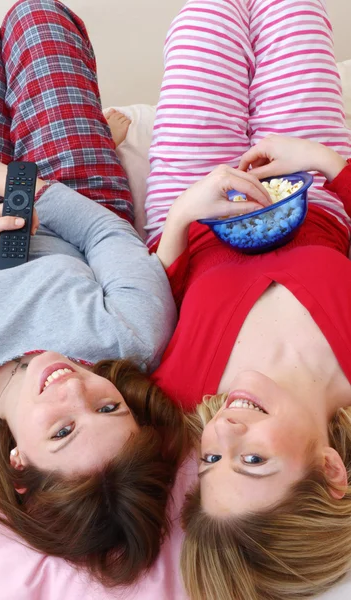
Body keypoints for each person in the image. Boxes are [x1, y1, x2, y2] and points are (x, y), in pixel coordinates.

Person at [0, 0, 192, 587]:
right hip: (71, 197)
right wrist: (15, 182)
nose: (75, 389)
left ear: (20, 468)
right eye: (109, 408)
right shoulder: (129, 339)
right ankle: (91, 135)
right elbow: (107, 231)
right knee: (38, 17)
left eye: (62, 430)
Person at [143, 0, 351, 598]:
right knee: (295, 11)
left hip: (195, 198)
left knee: (203, 17)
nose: (224, 432)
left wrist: (184, 214)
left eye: (209, 463)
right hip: (312, 189)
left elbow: (146, 293)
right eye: (252, 460)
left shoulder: (182, 397)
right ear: (331, 472)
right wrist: (325, 162)